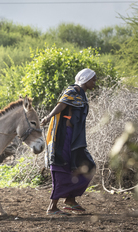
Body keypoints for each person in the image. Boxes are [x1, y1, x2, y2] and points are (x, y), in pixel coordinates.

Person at [40, 68, 97, 216]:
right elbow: (62, 104)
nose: (95, 83)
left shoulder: (82, 95)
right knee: (61, 166)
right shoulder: (73, 91)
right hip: (64, 136)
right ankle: (52, 207)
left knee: (87, 166)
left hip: (75, 138)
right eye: (93, 79)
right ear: (86, 79)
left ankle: (70, 200)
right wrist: (48, 117)